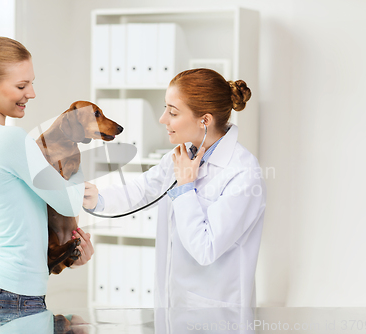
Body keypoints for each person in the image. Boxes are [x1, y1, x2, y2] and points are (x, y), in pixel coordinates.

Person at [83, 68, 266, 308]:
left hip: (216, 312)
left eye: (173, 112)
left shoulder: (243, 172)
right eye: (165, 109)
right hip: (174, 303)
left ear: (205, 120)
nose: (163, 120)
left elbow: (206, 249)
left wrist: (186, 187)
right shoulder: (181, 155)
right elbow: (144, 188)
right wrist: (97, 198)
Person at [0, 36, 94, 318]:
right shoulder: (9, 139)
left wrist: (68, 256)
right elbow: (68, 203)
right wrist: (74, 144)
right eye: (21, 85)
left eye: (31, 82)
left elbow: (22, 221)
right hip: (11, 296)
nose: (32, 93)